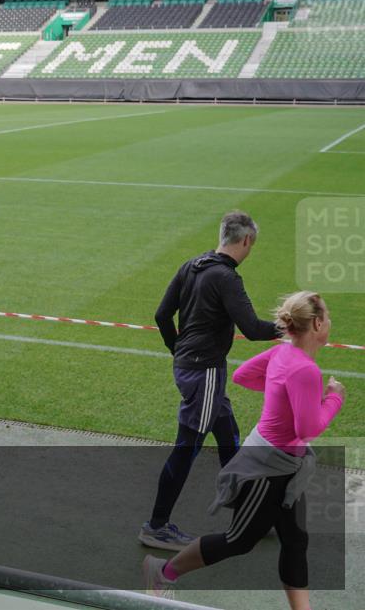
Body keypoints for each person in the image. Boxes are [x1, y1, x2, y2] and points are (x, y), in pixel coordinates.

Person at [144, 292, 345, 610]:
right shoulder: (305, 371)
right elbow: (309, 429)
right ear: (318, 324)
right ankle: (162, 571)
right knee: (238, 540)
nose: (330, 322)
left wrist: (283, 392)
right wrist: (334, 398)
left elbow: (243, 375)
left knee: (295, 540)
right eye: (329, 317)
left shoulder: (284, 352)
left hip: (285, 466)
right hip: (267, 469)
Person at [140, 210, 281, 550]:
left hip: (196, 368)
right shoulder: (227, 278)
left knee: (229, 439)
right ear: (246, 240)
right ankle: (156, 525)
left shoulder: (192, 265)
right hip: (204, 373)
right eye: (252, 244)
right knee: (186, 449)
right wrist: (292, 328)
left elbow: (162, 315)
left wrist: (178, 350)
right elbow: (251, 328)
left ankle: (248, 515)